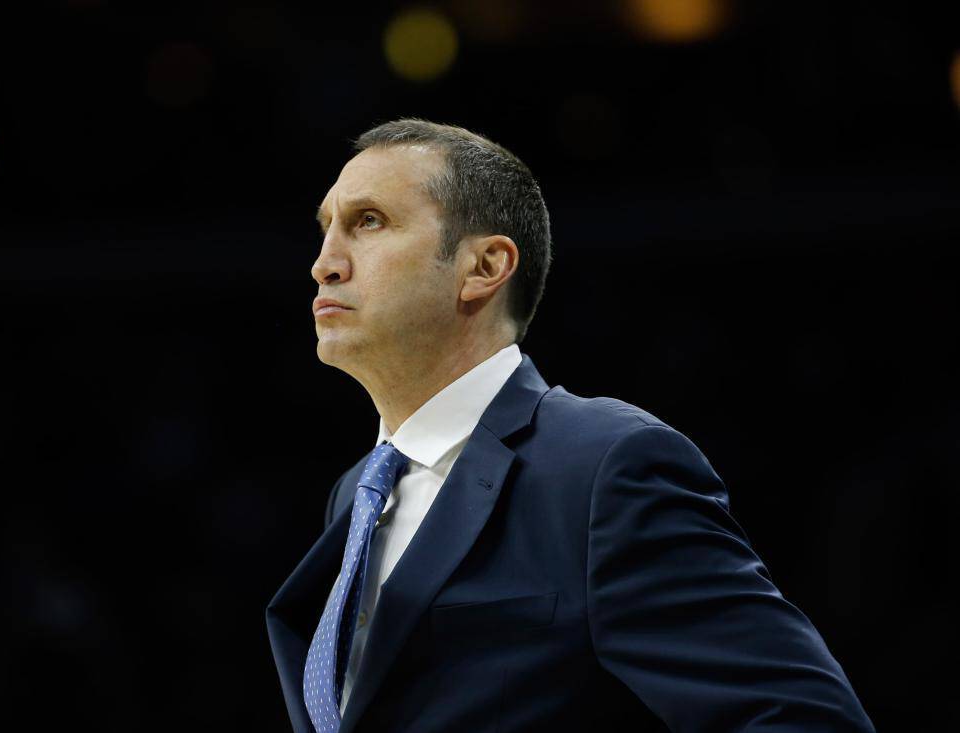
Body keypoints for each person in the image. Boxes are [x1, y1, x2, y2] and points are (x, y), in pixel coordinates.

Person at [266, 118, 874, 732]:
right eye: (326, 231)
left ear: (483, 266)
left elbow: (802, 718)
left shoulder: (604, 466)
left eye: (368, 222)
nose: (325, 264)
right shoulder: (356, 496)